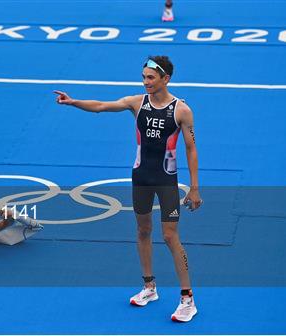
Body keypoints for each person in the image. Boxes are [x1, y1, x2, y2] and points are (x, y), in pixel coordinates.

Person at [53, 56, 202, 322]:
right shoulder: (137, 103)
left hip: (166, 181)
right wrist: (73, 102)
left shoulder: (181, 110)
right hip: (140, 177)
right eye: (144, 77)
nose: (145, 82)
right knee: (143, 230)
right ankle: (149, 287)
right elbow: (100, 106)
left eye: (151, 78)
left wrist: (194, 188)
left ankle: (187, 298)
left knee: (170, 237)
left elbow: (191, 149)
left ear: (165, 79)